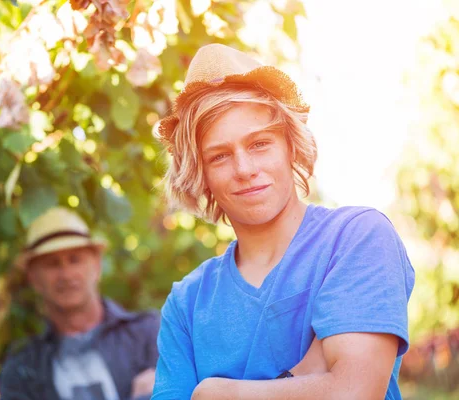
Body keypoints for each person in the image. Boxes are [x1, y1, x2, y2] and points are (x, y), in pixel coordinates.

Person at [151, 43, 415, 399]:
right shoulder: (186, 303)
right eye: (220, 156)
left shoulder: (356, 238)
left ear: (290, 144)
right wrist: (307, 377)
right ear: (200, 174)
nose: (245, 170)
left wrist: (214, 393)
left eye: (260, 144)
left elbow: (353, 393)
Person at [0, 207, 159, 400]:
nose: (66, 275)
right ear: (33, 278)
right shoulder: (22, 369)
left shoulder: (150, 334)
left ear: (97, 266)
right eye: (52, 264)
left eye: (75, 260)